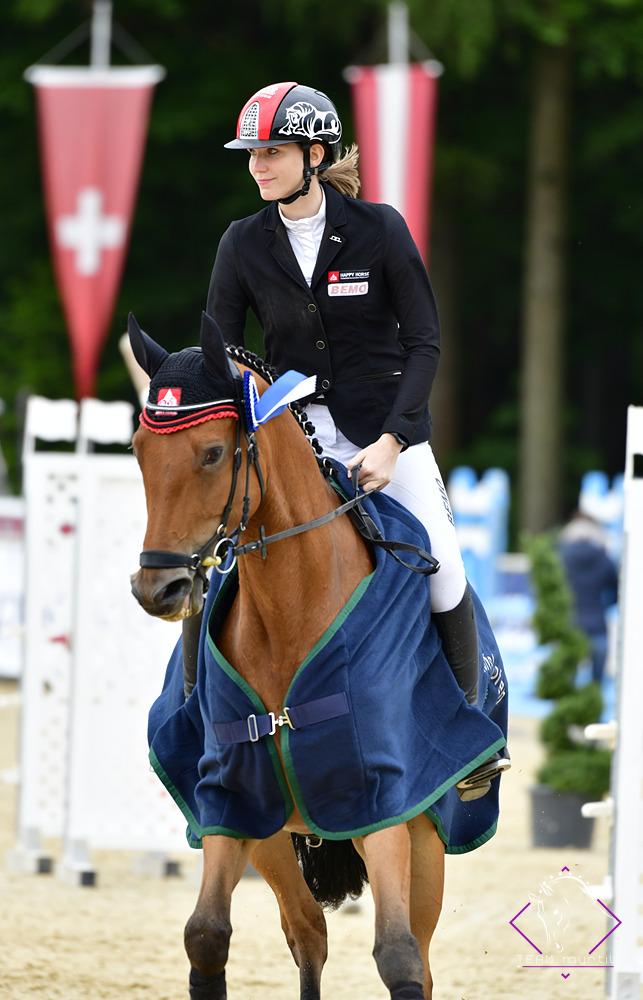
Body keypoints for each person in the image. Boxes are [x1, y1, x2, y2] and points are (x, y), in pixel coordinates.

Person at [203, 80, 509, 799]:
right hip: (295, 441)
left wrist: (394, 442)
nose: (256, 166)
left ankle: (465, 736)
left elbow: (425, 342)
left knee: (441, 565)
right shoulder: (243, 243)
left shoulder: (378, 228)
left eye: (270, 153)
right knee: (219, 568)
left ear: (315, 154)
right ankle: (204, 725)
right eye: (251, 155)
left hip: (384, 436)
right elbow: (218, 350)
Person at [559, 510, 619, 686]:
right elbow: (616, 592)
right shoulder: (603, 556)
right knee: (596, 684)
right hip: (597, 624)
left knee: (566, 683)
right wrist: (603, 605)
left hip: (569, 623)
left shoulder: (562, 555)